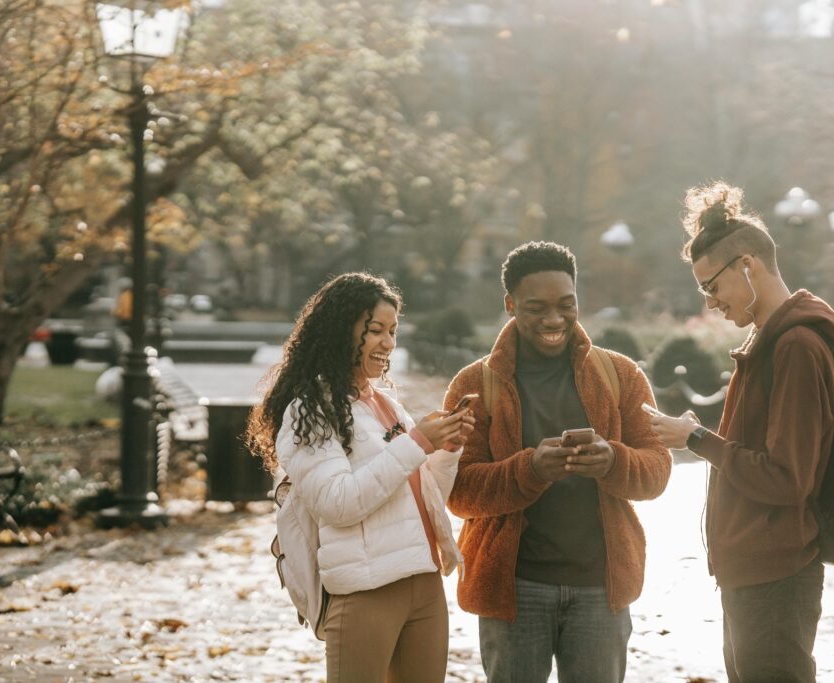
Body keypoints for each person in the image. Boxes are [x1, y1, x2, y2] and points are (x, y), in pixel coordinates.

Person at [647, 182, 834, 683]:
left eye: (711, 287)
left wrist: (695, 440)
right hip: (755, 571)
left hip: (777, 574)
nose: (710, 302)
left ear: (747, 265)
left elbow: (786, 478)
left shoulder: (797, 345)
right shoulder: (771, 340)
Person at [444, 241, 671, 683]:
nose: (554, 319)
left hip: (601, 588)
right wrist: (529, 470)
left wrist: (613, 461)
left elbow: (658, 470)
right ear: (510, 305)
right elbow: (458, 491)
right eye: (536, 308)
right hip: (514, 590)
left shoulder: (620, 374)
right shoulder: (475, 384)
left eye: (566, 305)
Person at [245, 272, 473, 683]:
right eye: (375, 331)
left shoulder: (384, 404)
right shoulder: (309, 412)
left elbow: (425, 496)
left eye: (393, 331)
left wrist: (448, 449)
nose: (388, 343)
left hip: (423, 583)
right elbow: (338, 503)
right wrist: (417, 442)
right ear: (340, 331)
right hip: (367, 592)